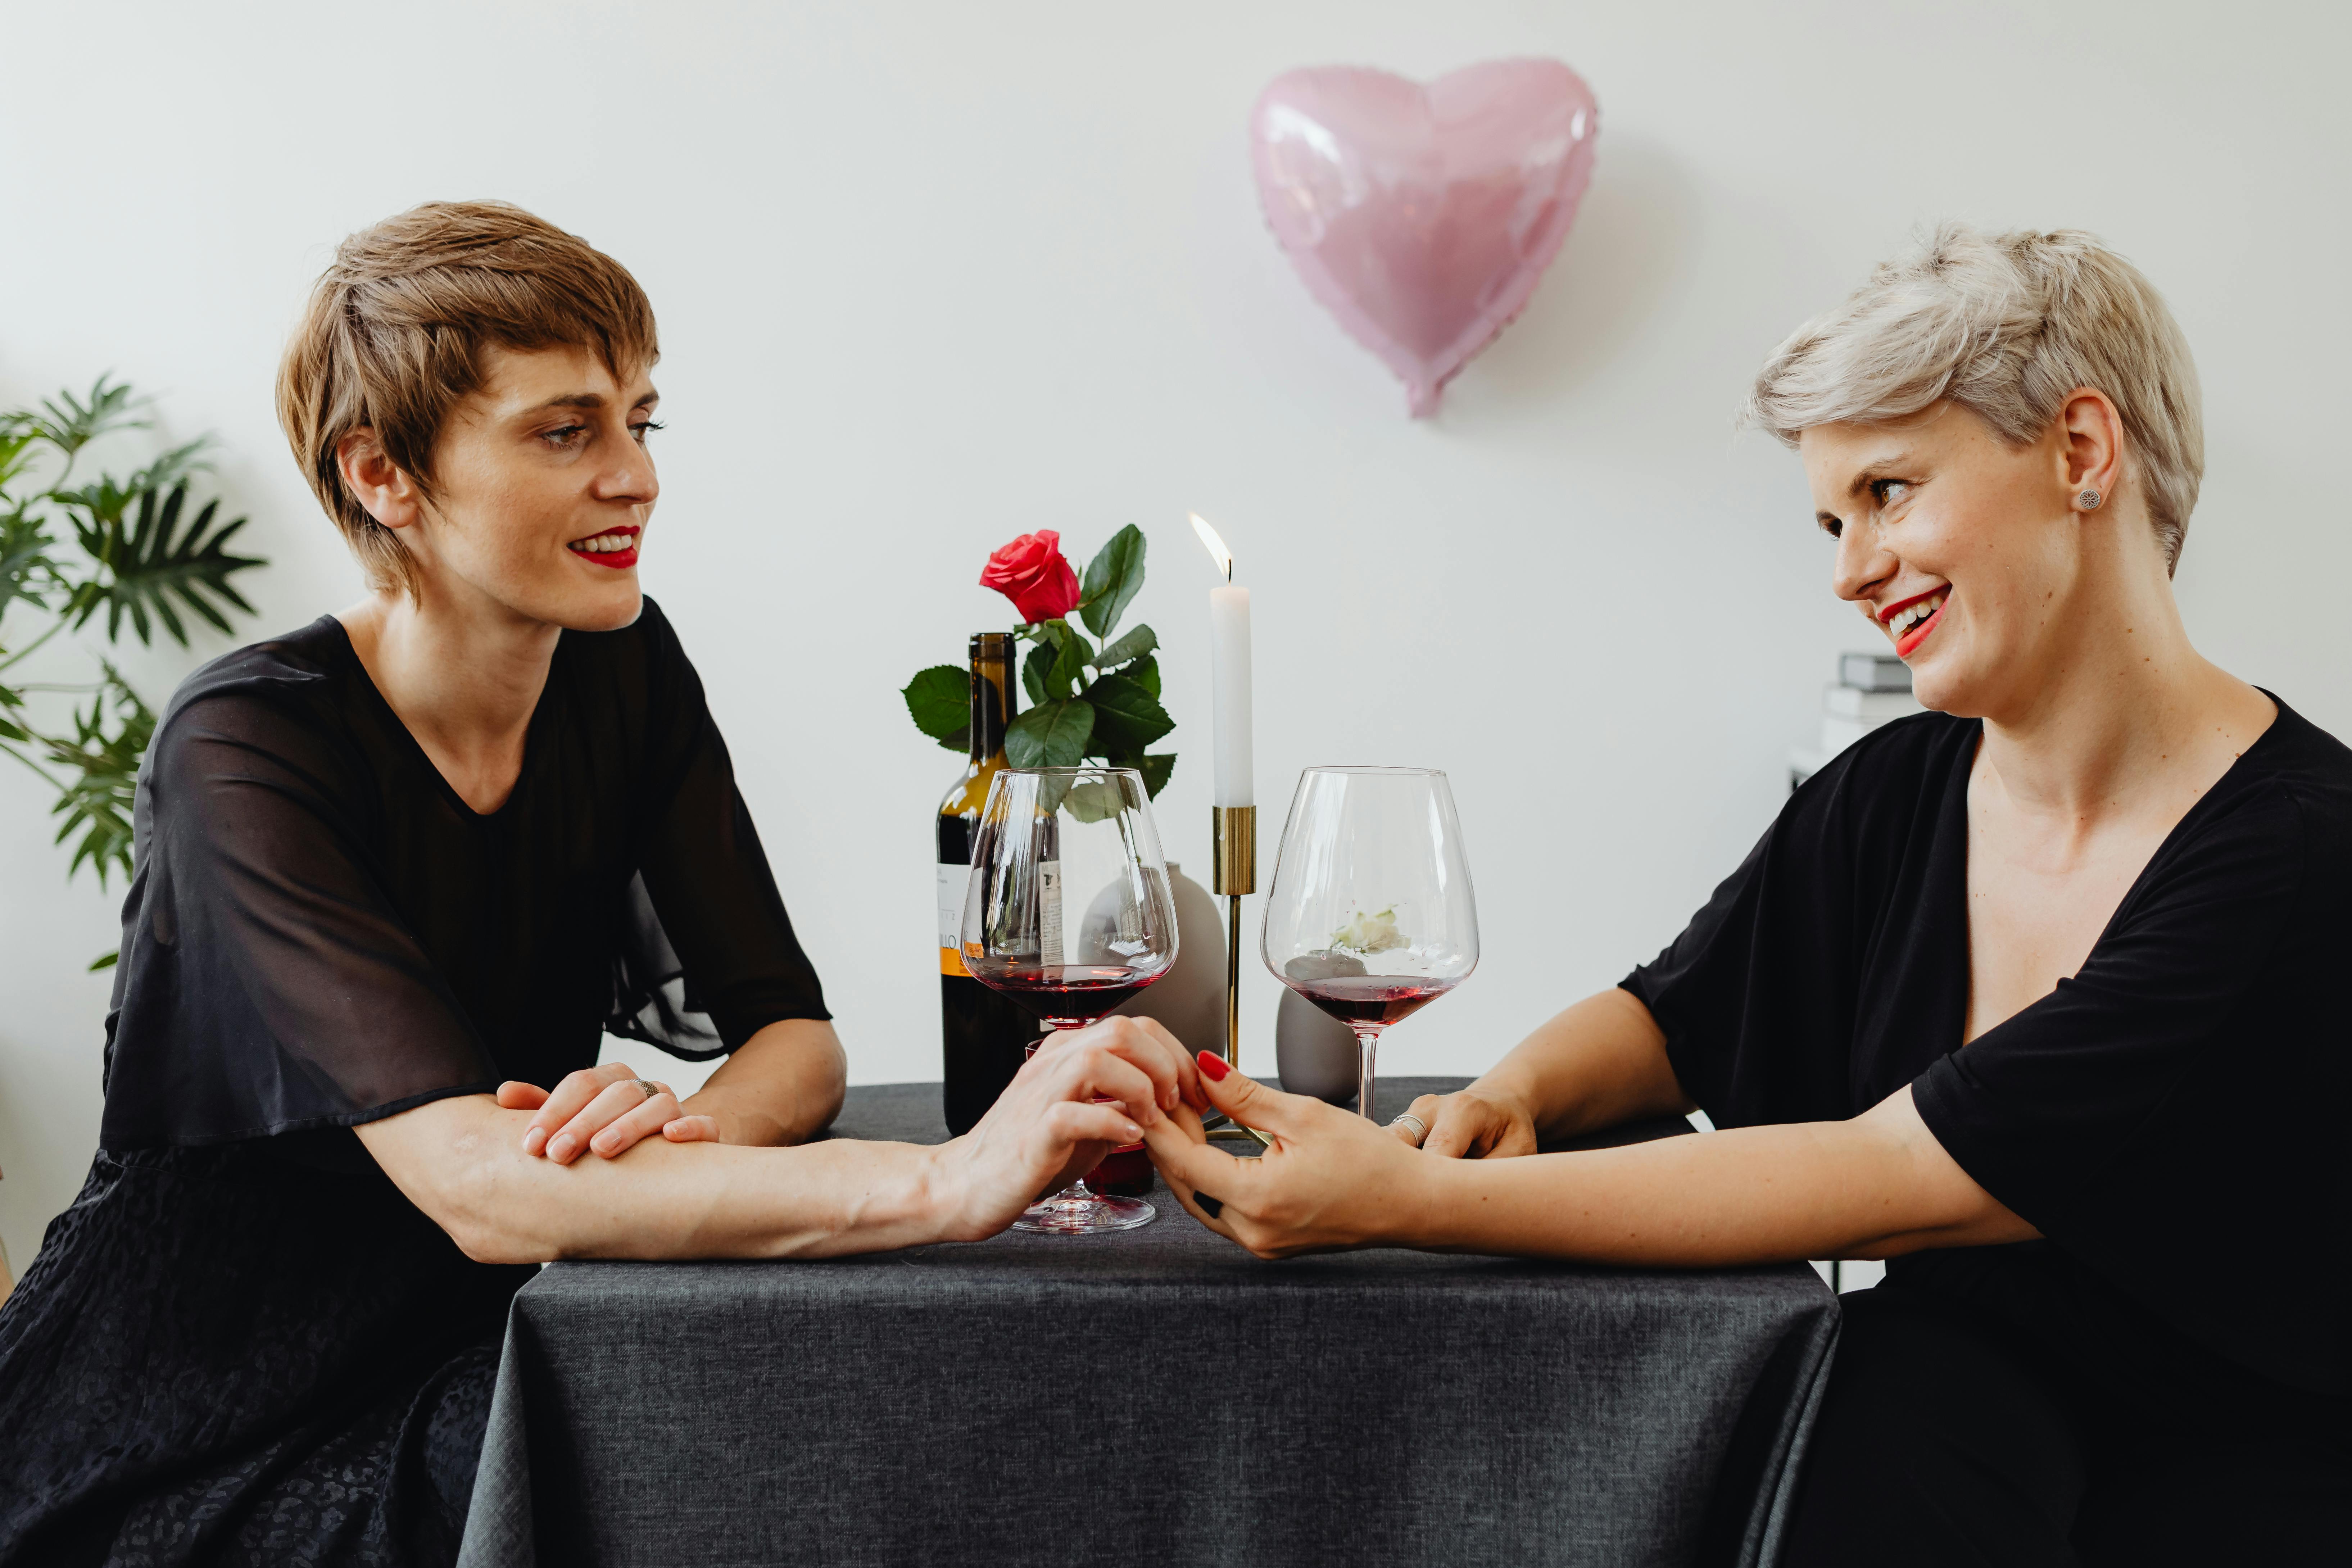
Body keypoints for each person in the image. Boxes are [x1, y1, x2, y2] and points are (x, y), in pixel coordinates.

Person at [0, 201, 1197, 1568]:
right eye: (566, 431)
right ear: (383, 473)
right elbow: (480, 1189)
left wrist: (659, 1146)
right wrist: (949, 1181)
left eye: (642, 420)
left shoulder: (620, 666)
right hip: (200, 1424)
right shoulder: (244, 744)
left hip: (499, 1336)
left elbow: (793, 1043)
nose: (635, 476)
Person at [1146, 226, 2350, 1564]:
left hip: (2240, 1494)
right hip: (1965, 1437)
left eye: (1890, 491)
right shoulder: (1895, 789)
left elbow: (1904, 1171)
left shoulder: (2300, 858)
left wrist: (1406, 1202)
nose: (1847, 570)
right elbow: (1672, 1017)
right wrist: (1516, 1092)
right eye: (1833, 522)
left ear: (2080, 452)